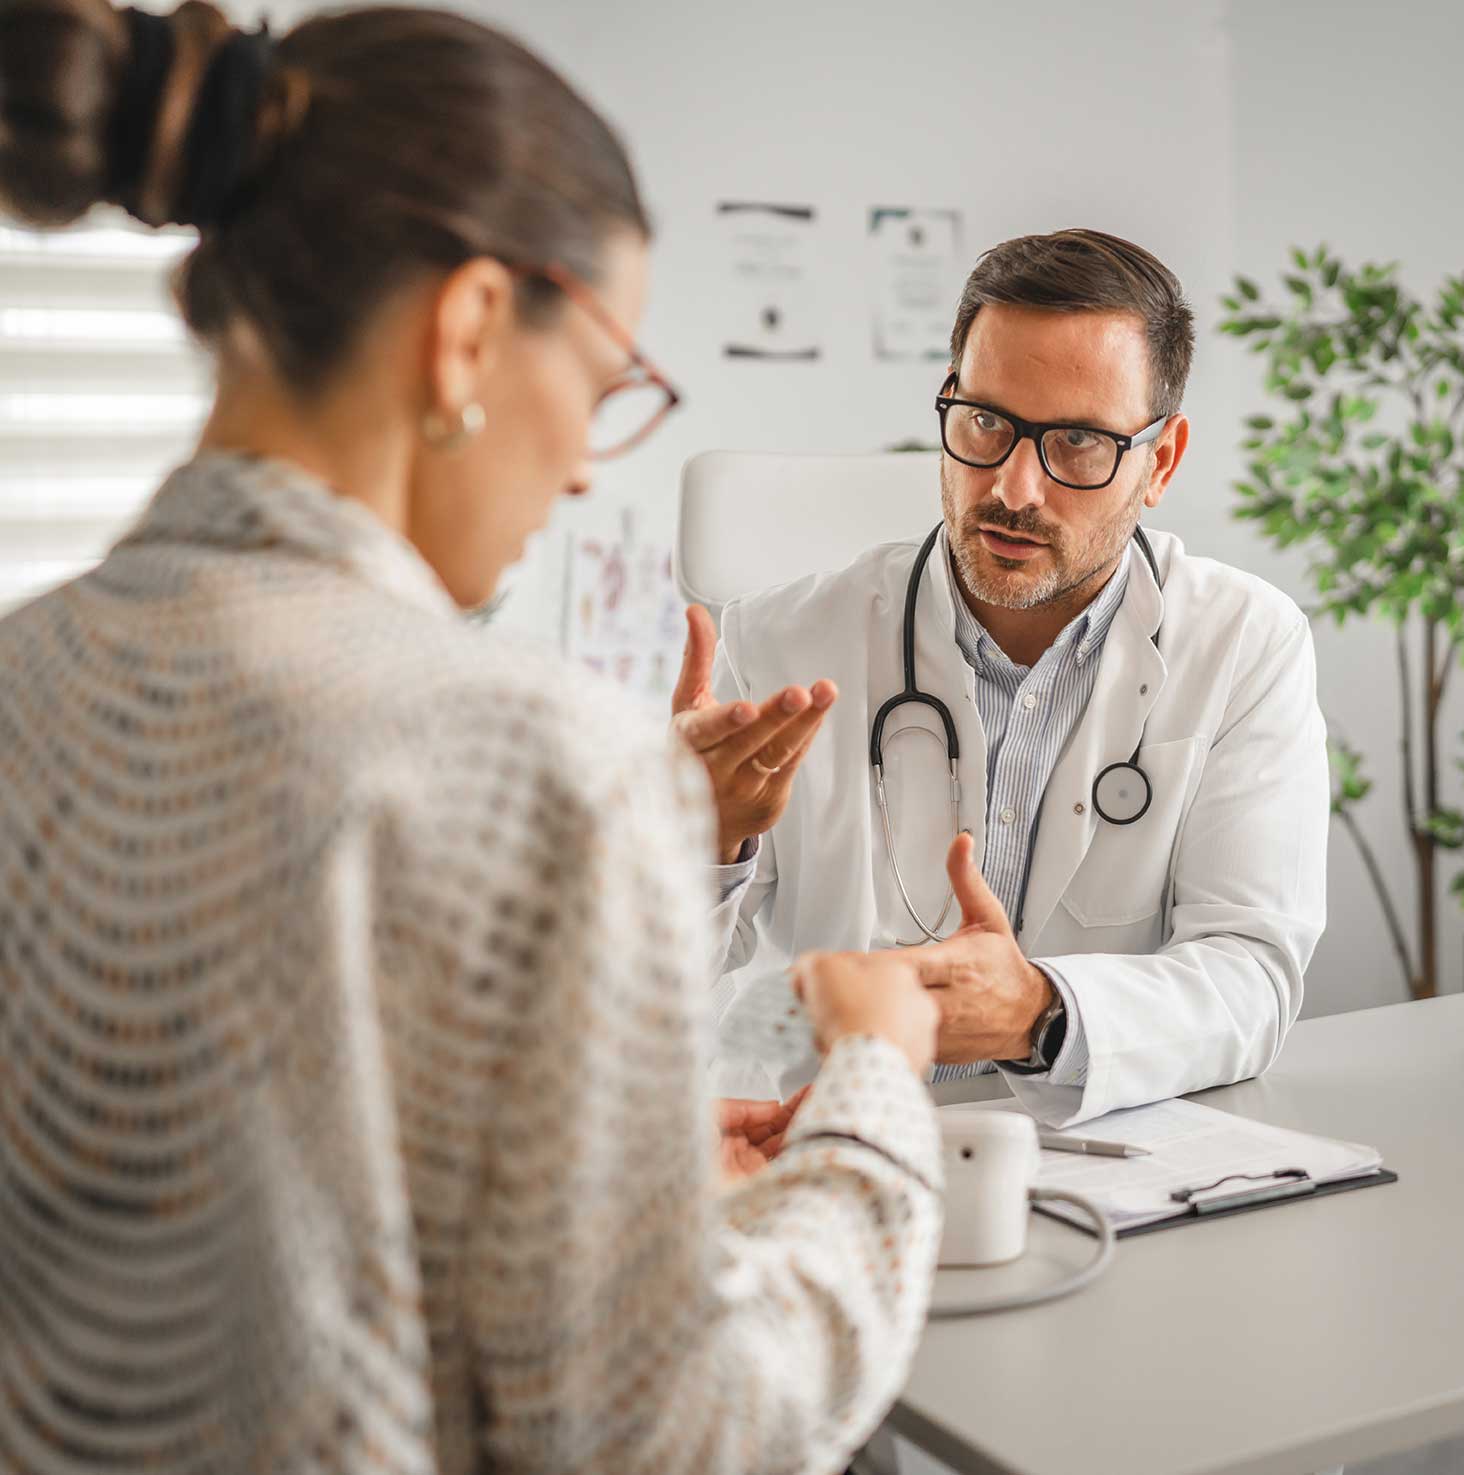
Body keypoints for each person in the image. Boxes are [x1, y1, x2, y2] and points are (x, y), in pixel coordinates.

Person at [0, 4, 944, 1471]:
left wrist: (600, 1160)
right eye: (604, 383)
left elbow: (206, 1208)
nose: (579, 466)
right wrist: (874, 1101)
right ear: (471, 330)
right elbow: (679, 1435)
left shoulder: (23, 675)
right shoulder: (542, 760)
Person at [675, 229, 1330, 1126]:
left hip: (1103, 1160)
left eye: (1076, 442)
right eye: (985, 422)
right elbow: (653, 989)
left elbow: (1249, 974)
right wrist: (698, 845)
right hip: (822, 1143)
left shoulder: (1244, 644)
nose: (1016, 487)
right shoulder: (779, 642)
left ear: (1160, 462)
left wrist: (1038, 1014)